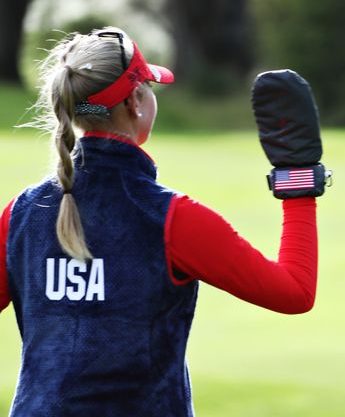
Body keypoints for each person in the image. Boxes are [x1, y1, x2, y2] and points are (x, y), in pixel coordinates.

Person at [0, 27, 327, 416]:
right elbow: (294, 292)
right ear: (137, 101)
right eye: (150, 88)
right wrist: (299, 182)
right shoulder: (172, 218)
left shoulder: (20, 212)